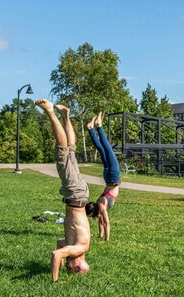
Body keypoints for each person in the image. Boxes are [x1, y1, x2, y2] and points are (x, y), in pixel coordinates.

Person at [35, 99, 91, 283]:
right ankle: (50, 111)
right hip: (75, 194)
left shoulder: (76, 247)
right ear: (78, 266)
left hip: (79, 195)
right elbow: (56, 253)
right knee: (62, 152)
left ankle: (65, 115)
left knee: (71, 151)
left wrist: (64, 255)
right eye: (69, 267)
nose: (67, 263)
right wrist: (55, 280)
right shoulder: (79, 249)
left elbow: (60, 244)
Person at [85, 111, 121, 242]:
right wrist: (100, 236)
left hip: (113, 177)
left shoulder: (102, 206)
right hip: (108, 177)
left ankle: (99, 126)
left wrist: (106, 239)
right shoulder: (100, 205)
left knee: (107, 149)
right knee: (102, 149)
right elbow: (102, 223)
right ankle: (90, 128)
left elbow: (106, 223)